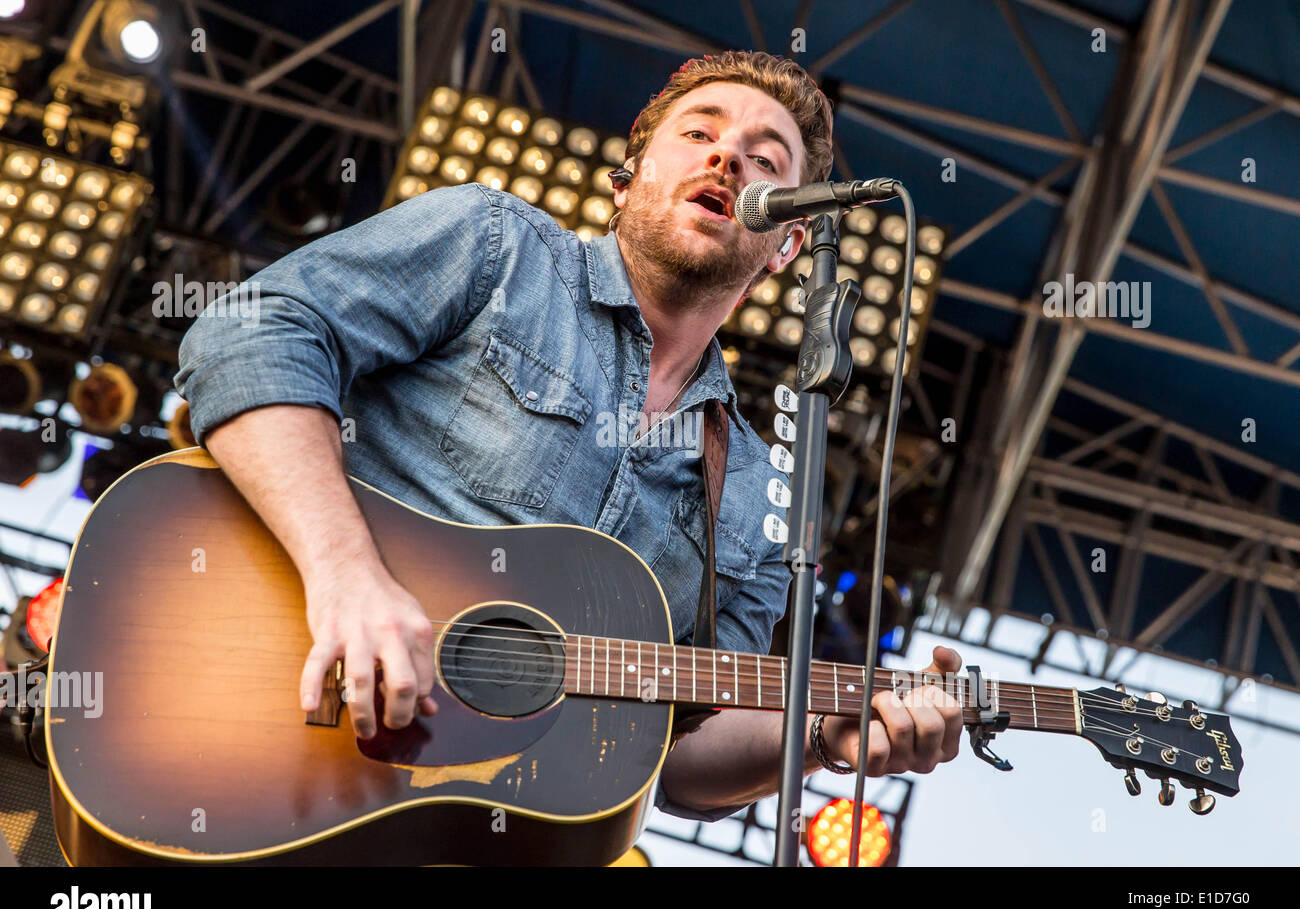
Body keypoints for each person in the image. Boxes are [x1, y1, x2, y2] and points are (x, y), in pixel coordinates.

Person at [174, 50, 963, 826]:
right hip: (258, 715)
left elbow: (683, 753)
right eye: (699, 134)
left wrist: (824, 734)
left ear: (789, 244)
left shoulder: (758, 495)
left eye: (765, 159)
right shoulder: (496, 248)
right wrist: (344, 574)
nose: (728, 156)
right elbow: (249, 337)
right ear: (627, 182)